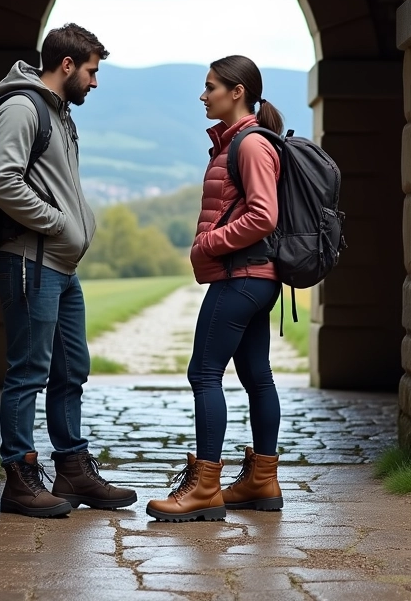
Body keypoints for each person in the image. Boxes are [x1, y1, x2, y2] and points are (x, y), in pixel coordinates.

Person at [0, 23, 137, 517]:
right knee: (28, 371)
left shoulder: (60, 115)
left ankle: (72, 468)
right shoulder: (22, 108)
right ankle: (20, 478)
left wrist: (71, 227)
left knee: (72, 368)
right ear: (67, 65)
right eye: (92, 71)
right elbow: (1, 180)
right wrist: (55, 222)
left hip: (60, 267)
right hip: (31, 263)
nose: (95, 82)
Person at [147, 55, 285, 522]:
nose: (203, 96)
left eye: (210, 87)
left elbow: (264, 215)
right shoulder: (236, 143)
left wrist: (210, 242)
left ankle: (205, 488)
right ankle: (262, 479)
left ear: (237, 91)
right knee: (256, 375)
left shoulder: (247, 145)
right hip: (252, 277)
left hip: (241, 276)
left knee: (203, 373)